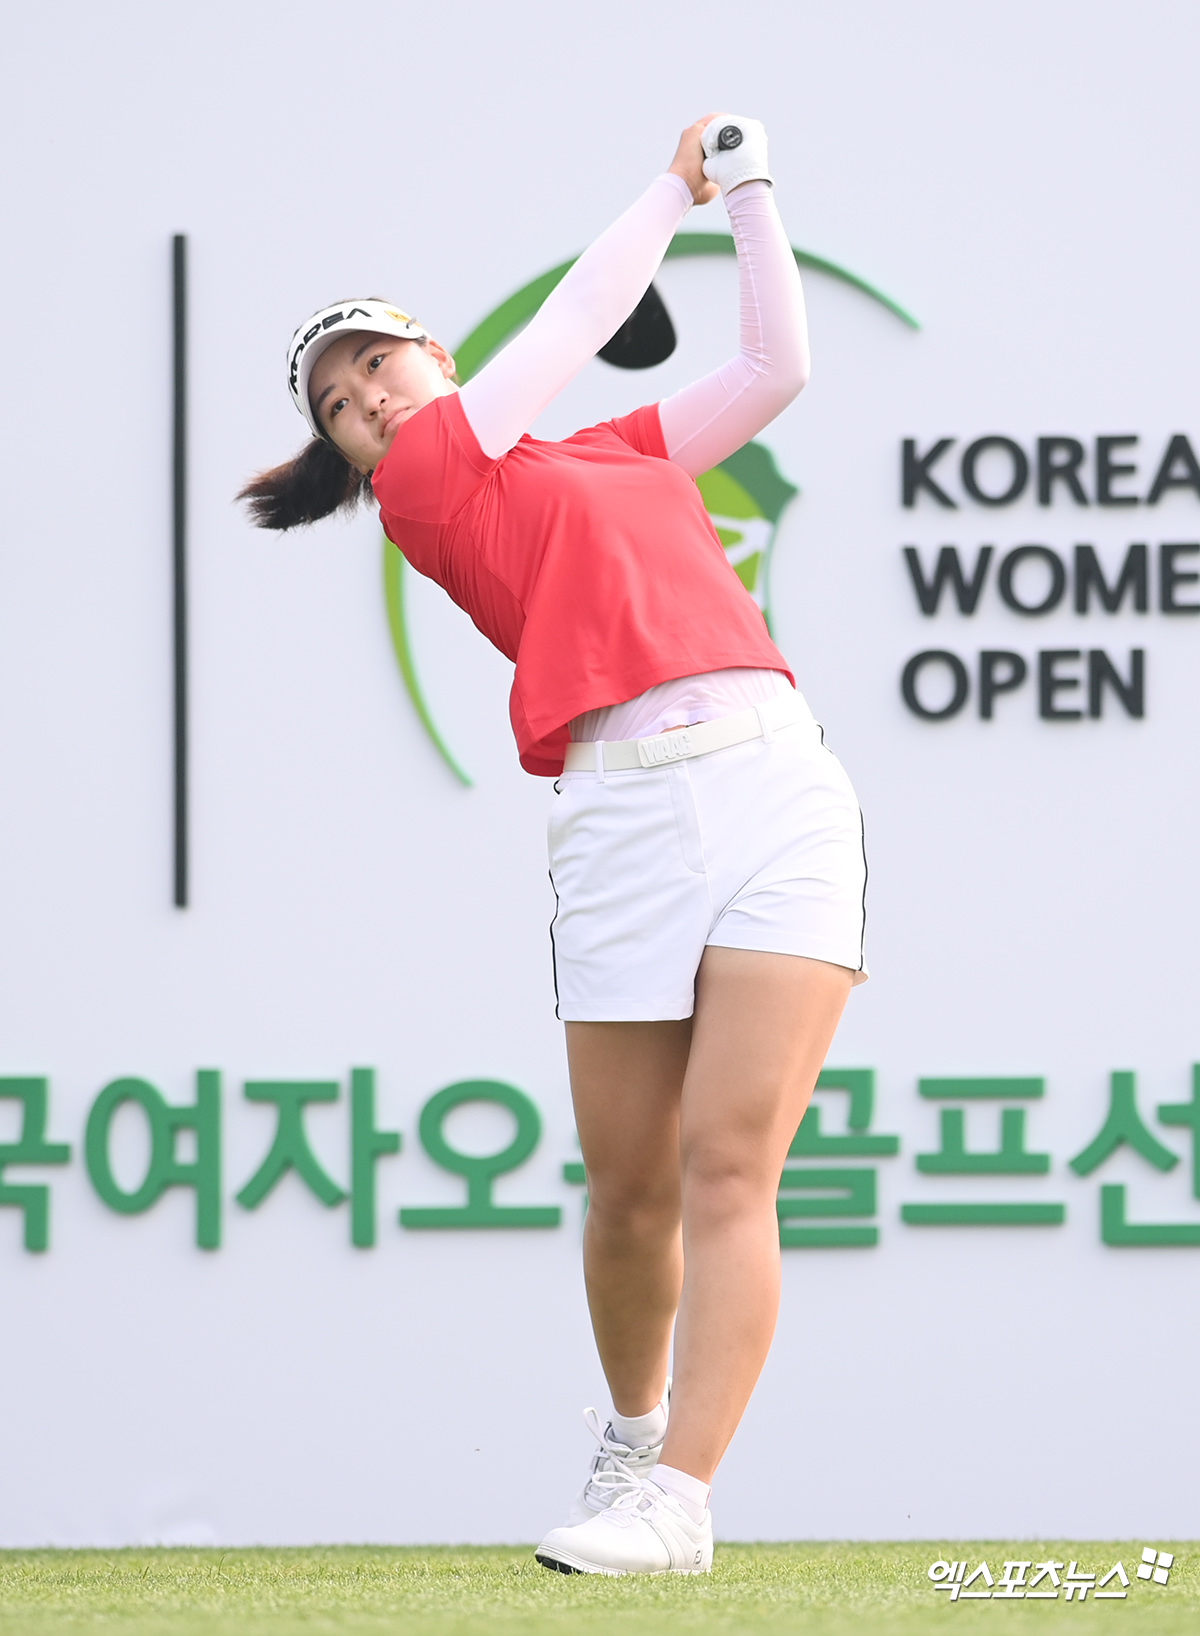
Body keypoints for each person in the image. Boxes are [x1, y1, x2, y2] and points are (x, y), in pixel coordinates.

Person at [241, 113, 867, 1576]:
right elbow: (579, 316)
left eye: (378, 364)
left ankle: (678, 1502)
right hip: (621, 818)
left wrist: (750, 192)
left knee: (731, 1167)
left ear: (434, 355)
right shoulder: (427, 488)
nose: (367, 399)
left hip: (776, 783)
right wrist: (672, 185)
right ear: (350, 451)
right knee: (633, 1187)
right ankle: (633, 1435)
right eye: (340, 403)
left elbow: (776, 368)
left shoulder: (622, 451)